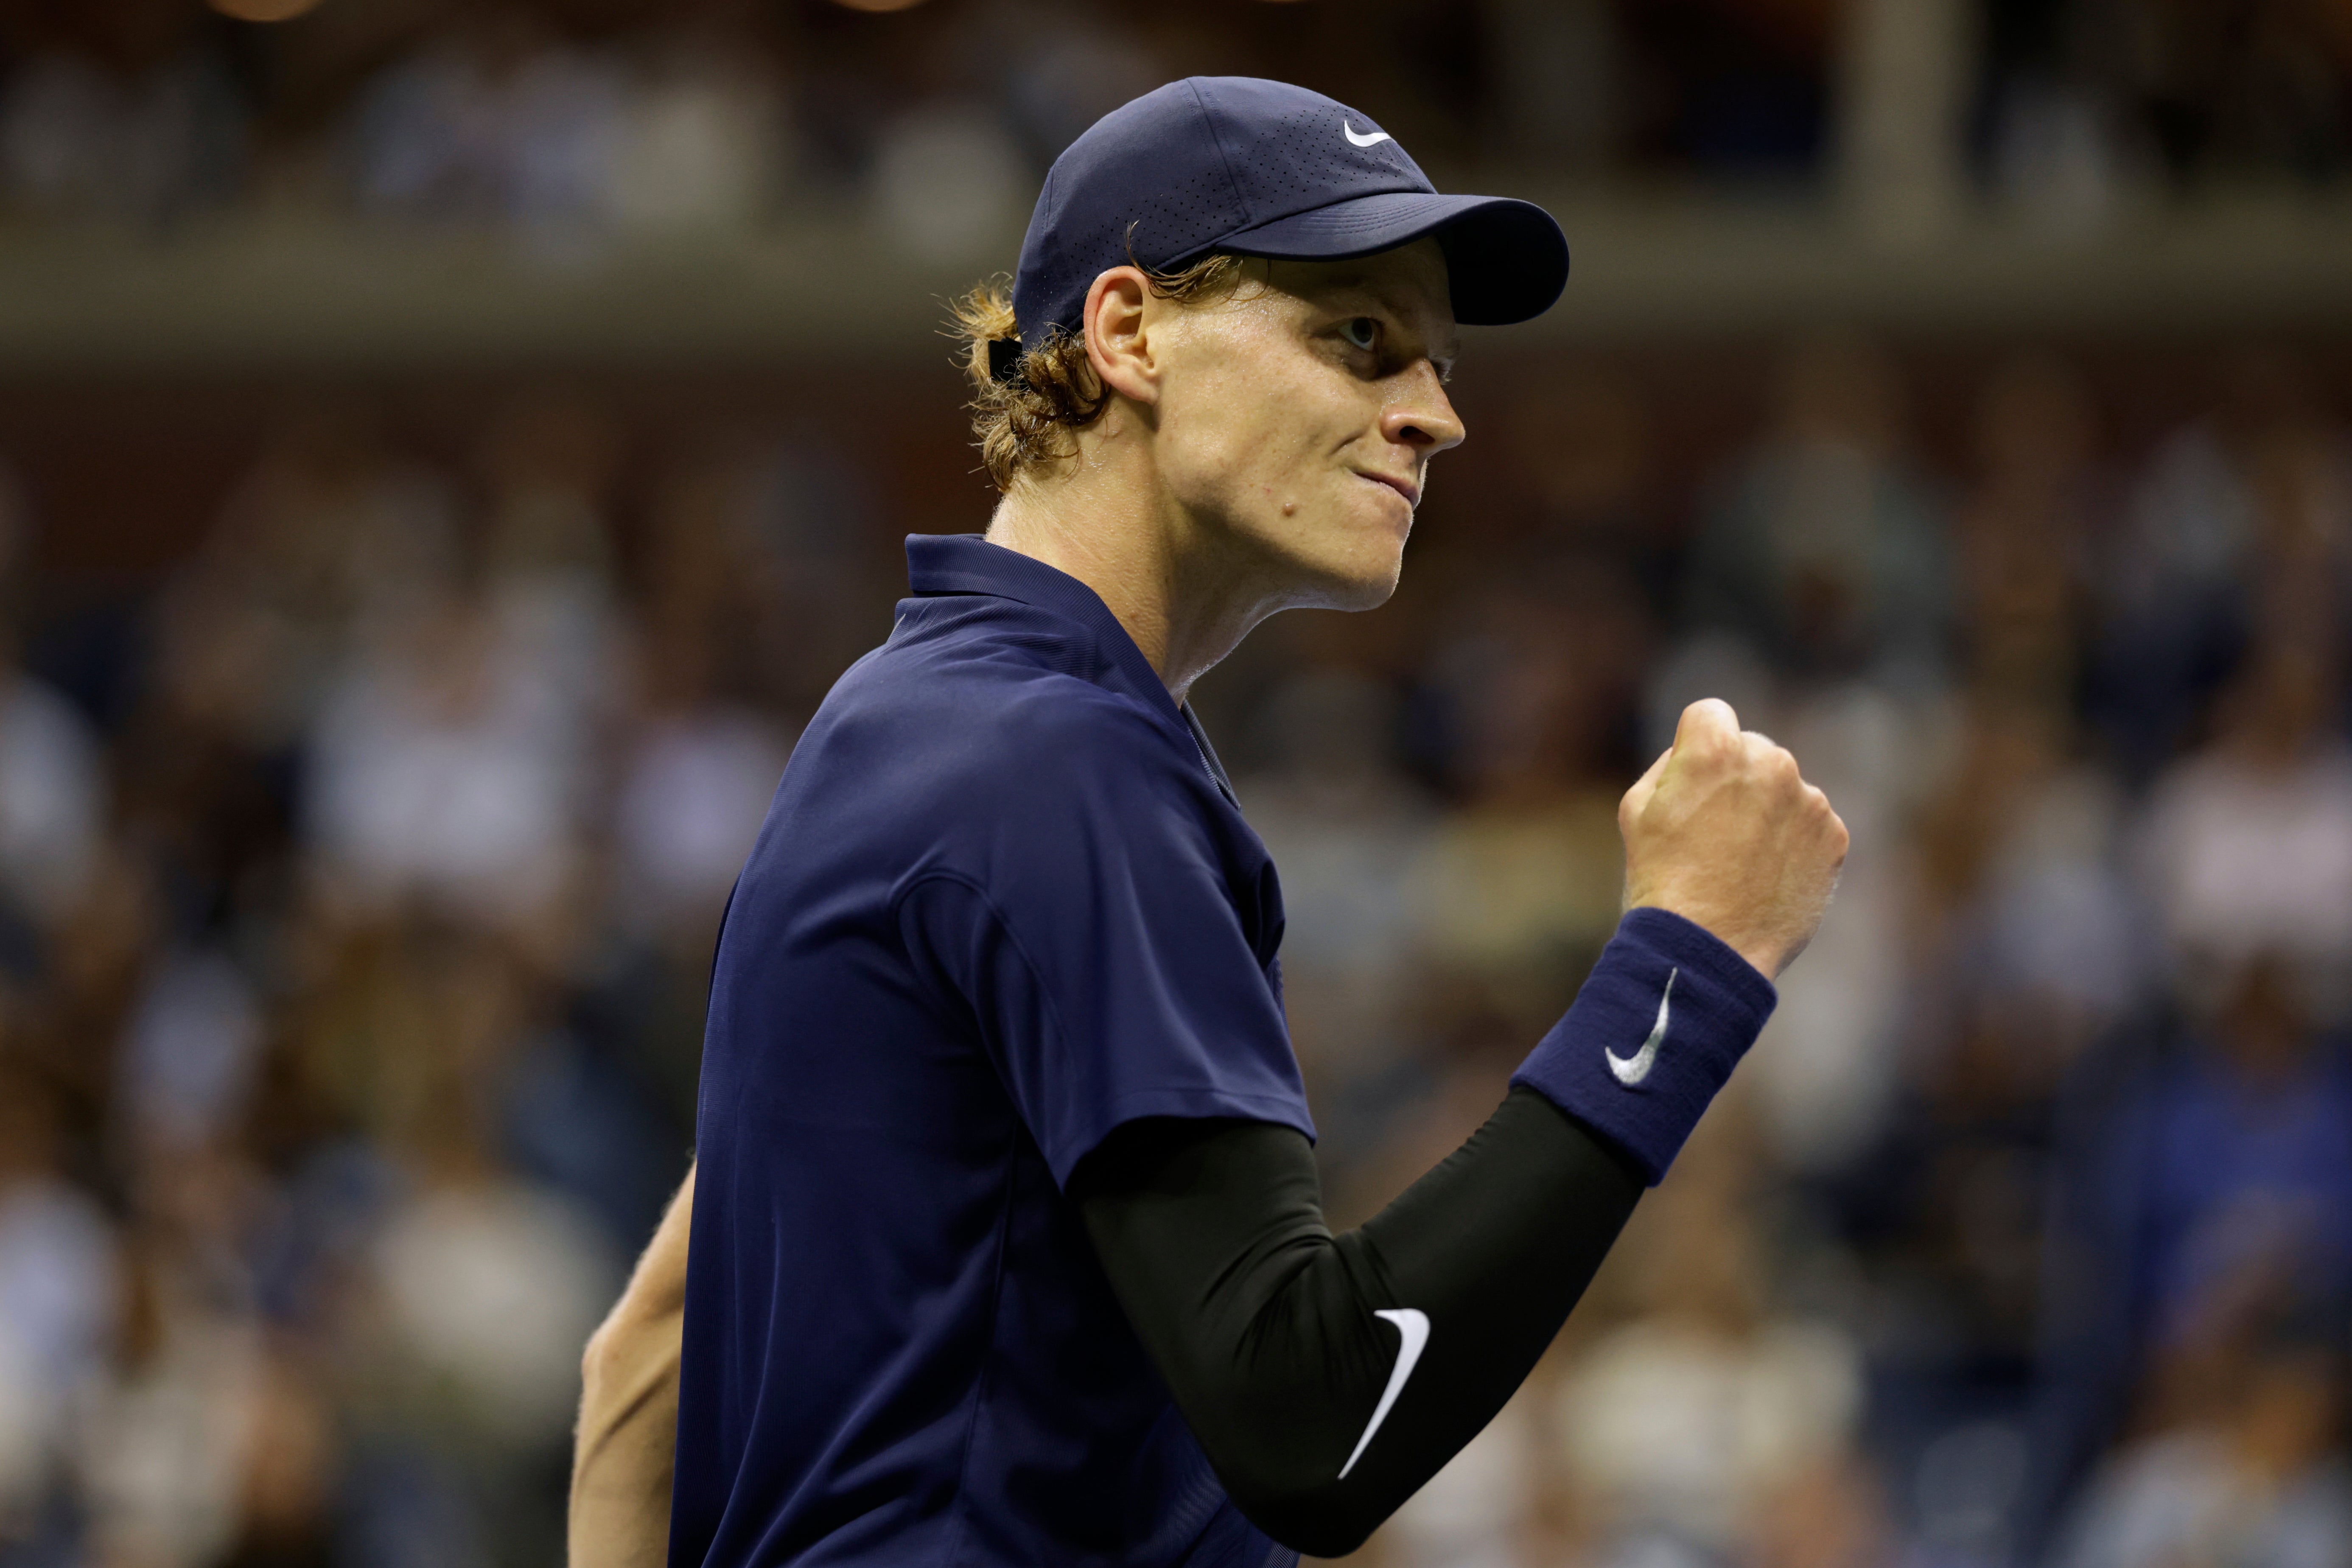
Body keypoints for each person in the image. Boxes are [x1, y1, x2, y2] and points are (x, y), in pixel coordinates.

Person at [570, 77, 1846, 1568]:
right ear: (1128, 336)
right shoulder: (1061, 760)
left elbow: (647, 1350)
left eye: (1438, 365)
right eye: (1357, 337)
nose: (1435, 415)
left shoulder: (898, 718)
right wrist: (1690, 963)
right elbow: (1314, 1421)